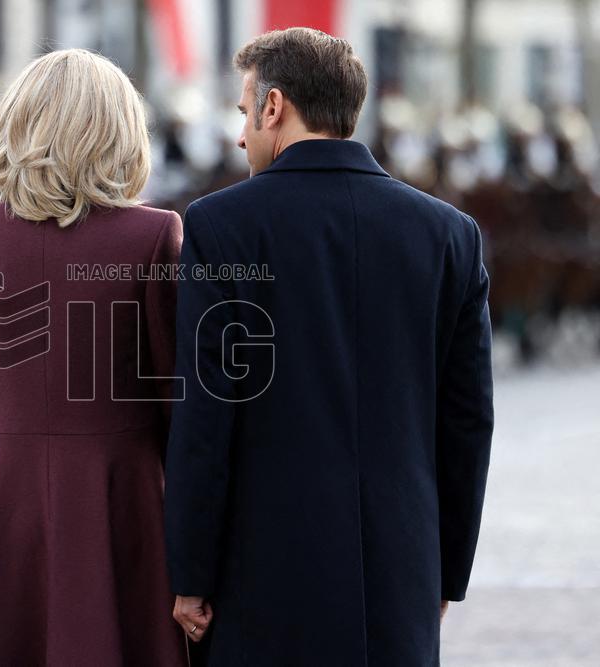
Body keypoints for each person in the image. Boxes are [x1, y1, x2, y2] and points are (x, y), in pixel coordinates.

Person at [164, 27, 494, 665]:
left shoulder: (220, 226)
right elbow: (467, 425)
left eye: (243, 112)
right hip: (402, 571)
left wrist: (191, 573)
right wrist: (445, 570)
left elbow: (206, 417)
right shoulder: (450, 235)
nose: (239, 135)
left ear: (273, 106)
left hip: (261, 575)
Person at [0, 49, 189, 666]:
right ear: (119, 133)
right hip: (121, 487)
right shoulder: (153, 235)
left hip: (0, 485)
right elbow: (172, 386)